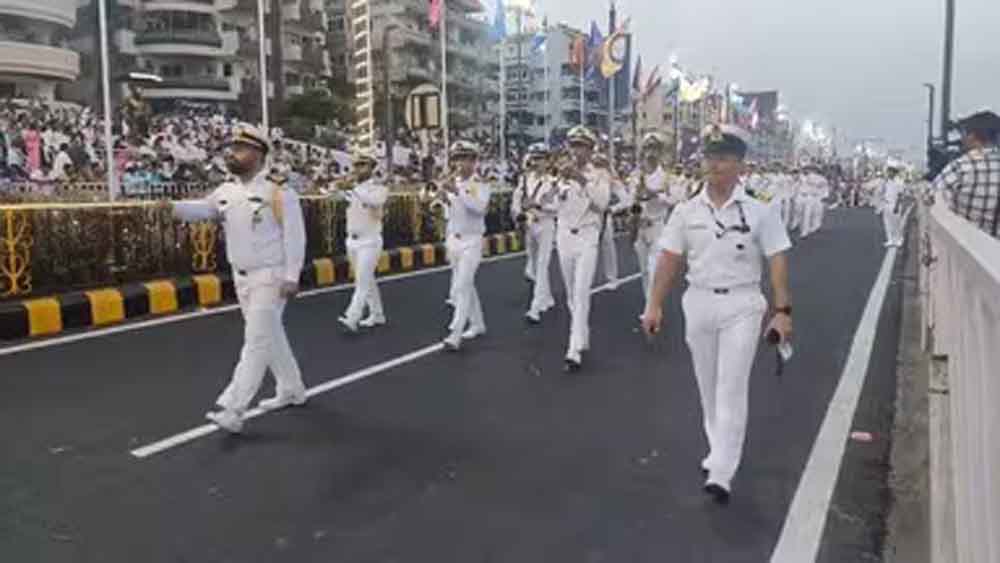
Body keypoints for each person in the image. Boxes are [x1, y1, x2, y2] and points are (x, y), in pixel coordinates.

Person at [642, 124, 793, 504]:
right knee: (707, 385)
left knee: (731, 386)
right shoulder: (686, 211)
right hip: (699, 301)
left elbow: (777, 260)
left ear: (740, 165)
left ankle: (724, 469)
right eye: (710, 158)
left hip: (743, 303)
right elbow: (669, 259)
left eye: (724, 158)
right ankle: (718, 447)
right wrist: (653, 304)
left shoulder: (760, 209)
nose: (715, 165)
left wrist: (782, 310)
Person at [162, 124, 308, 433]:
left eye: (241, 149)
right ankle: (292, 388)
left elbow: (295, 236)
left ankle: (233, 408)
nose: (233, 154)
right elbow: (205, 209)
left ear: (258, 154)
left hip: (270, 275)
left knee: (255, 340)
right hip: (241, 276)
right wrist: (170, 208)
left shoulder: (278, 191)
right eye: (232, 149)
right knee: (270, 336)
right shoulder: (226, 191)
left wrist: (292, 276)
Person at [555, 126, 611, 371]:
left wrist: (582, 180)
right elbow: (553, 205)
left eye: (582, 146)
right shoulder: (560, 174)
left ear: (590, 150)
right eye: (574, 146)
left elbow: (602, 203)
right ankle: (582, 335)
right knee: (570, 293)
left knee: (580, 291)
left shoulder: (599, 175)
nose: (577, 151)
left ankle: (573, 348)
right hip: (564, 235)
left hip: (588, 235)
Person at [441, 141, 491, 351]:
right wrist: (444, 200)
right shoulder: (453, 183)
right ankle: (477, 323)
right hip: (454, 239)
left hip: (472, 240)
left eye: (466, 158)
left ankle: (456, 333)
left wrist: (458, 193)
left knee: (461, 285)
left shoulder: (480, 184)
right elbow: (450, 214)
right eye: (458, 159)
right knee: (467, 285)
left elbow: (480, 208)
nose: (461, 163)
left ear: (474, 161)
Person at [334, 150, 389, 332]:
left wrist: (352, 188)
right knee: (367, 280)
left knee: (362, 282)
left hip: (370, 241)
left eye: (362, 165)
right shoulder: (354, 190)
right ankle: (377, 314)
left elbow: (374, 201)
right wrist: (336, 187)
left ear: (372, 168)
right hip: (352, 241)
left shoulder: (379, 188)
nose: (357, 169)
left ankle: (352, 317)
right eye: (356, 165)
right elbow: (334, 196)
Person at [629, 133, 678, 316]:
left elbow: (676, 200)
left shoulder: (667, 177)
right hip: (639, 225)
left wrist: (656, 194)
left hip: (657, 226)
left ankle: (651, 309)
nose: (651, 152)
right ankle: (650, 305)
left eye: (655, 149)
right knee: (644, 271)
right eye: (648, 148)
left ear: (660, 152)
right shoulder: (636, 176)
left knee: (654, 269)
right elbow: (630, 200)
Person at [932, 110, 1000, 239]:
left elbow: (931, 198)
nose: (962, 139)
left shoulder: (962, 166)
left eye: (963, 133)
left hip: (964, 241)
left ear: (972, 136)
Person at [512, 143, 558, 324]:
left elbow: (557, 208)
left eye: (541, 158)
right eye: (534, 158)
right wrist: (518, 214)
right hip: (529, 224)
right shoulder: (525, 179)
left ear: (548, 161)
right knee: (532, 264)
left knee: (542, 264)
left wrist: (538, 205)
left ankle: (535, 308)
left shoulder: (553, 182)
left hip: (545, 225)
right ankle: (547, 298)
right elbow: (516, 199)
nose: (537, 162)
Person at [879, 167, 907, 247]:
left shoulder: (899, 181)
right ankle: (890, 239)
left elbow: (900, 194)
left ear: (894, 172)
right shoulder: (886, 181)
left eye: (890, 172)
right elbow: (882, 192)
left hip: (894, 204)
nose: (888, 173)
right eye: (888, 172)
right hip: (886, 203)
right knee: (887, 223)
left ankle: (899, 239)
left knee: (896, 223)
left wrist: (897, 206)